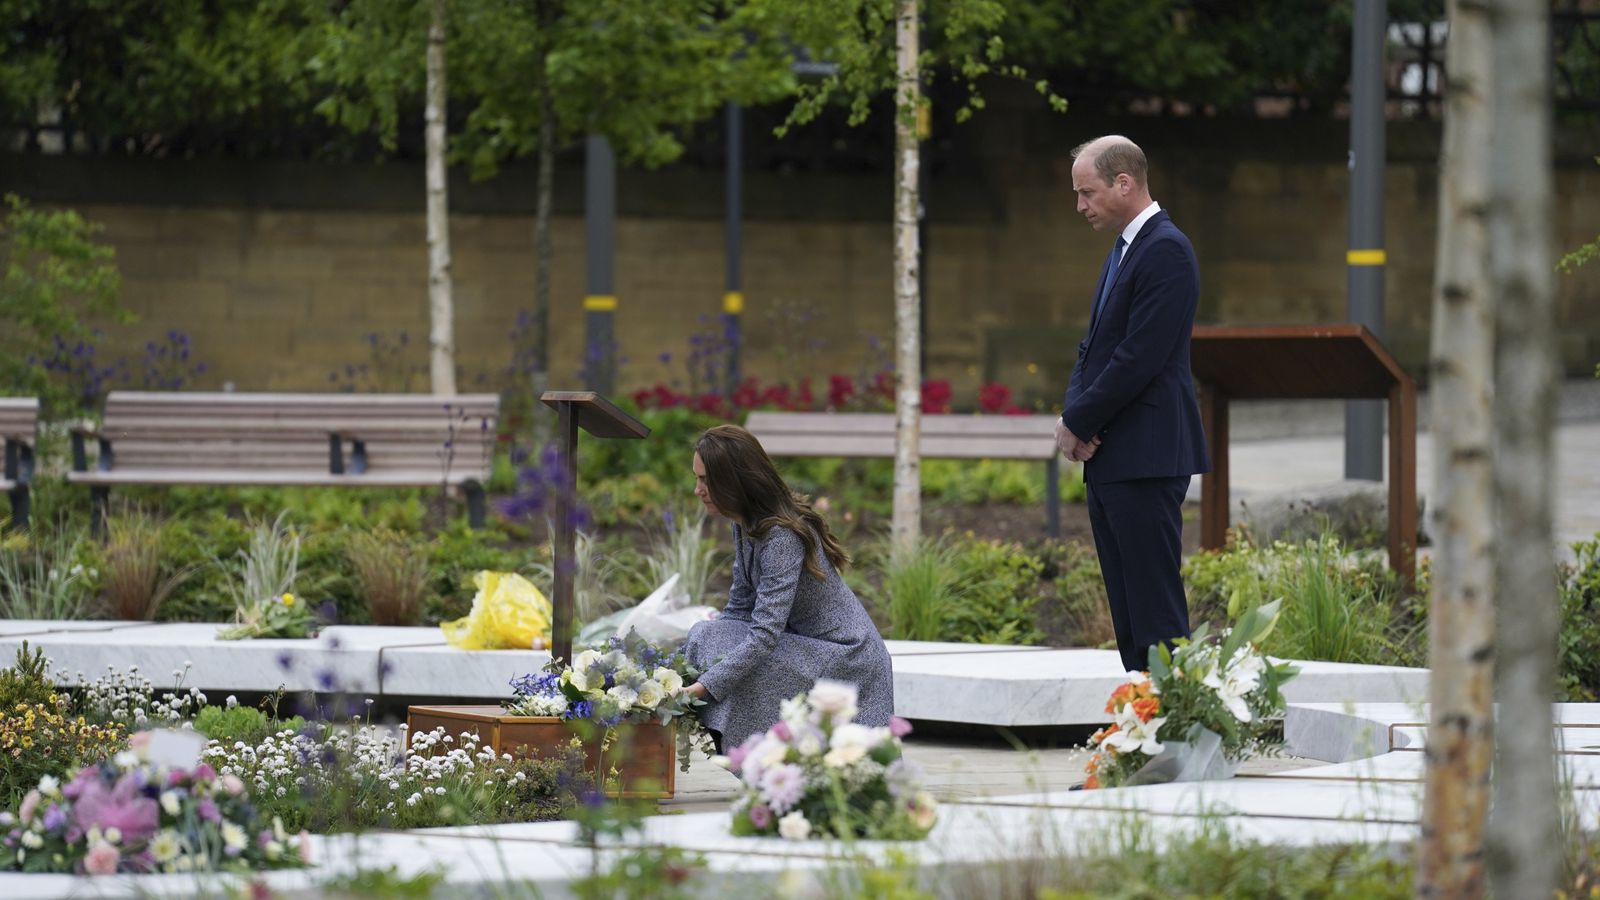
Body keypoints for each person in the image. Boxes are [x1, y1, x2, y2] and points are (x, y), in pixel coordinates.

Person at [1056, 135, 1210, 674]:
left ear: (1124, 183)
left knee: (1154, 610)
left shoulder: (1165, 249)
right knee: (1128, 609)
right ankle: (1141, 726)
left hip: (1146, 456)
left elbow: (1139, 357)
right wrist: (1076, 417)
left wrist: (1079, 419)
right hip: (1114, 456)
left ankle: (1176, 733)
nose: (1080, 206)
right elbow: (1094, 346)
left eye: (1087, 192)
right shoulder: (1126, 248)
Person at [682, 424, 893, 751]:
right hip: (803, 643)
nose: (698, 489)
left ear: (734, 481)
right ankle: (749, 750)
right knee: (705, 635)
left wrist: (703, 687)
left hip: (844, 655)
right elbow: (739, 609)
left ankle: (757, 753)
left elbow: (764, 634)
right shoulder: (745, 524)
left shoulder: (781, 537)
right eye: (698, 479)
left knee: (723, 649)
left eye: (706, 480)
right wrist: (688, 667)